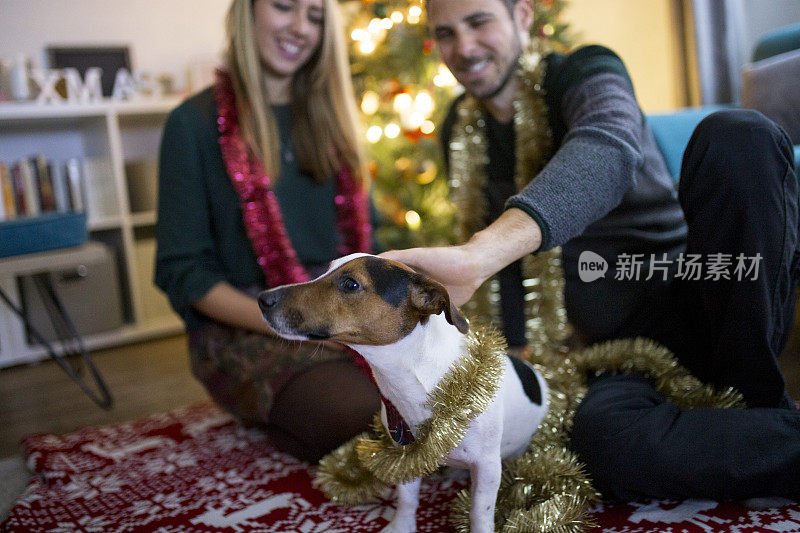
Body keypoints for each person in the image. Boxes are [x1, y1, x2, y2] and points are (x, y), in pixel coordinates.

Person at [383, 0, 800, 501]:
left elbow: (607, 145)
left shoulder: (583, 70)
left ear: (522, 17)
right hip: (610, 357)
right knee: (604, 445)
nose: (464, 48)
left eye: (479, 22)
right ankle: (769, 437)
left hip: (708, 303)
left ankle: (753, 398)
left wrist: (481, 253)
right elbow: (509, 285)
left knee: (737, 137)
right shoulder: (461, 128)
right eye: (446, 33)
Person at [154, 0, 379, 462]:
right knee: (369, 420)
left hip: (341, 306)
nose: (300, 27)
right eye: (284, 7)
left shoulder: (332, 119)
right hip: (248, 322)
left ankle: (295, 424)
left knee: (443, 397)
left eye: (316, 17)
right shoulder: (190, 125)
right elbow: (185, 272)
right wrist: (300, 322)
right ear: (248, 11)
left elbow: (372, 241)